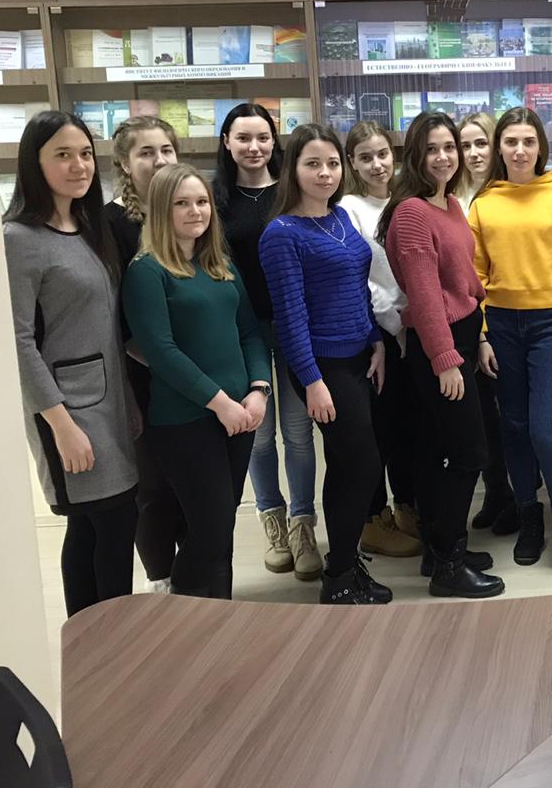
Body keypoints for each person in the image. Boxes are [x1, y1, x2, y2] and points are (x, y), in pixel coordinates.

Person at [3, 110, 138, 617]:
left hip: (109, 402)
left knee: (94, 526)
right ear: (33, 163)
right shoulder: (18, 238)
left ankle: (94, 640)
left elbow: (106, 325)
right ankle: (105, 636)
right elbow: (17, 341)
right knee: (110, 522)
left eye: (84, 154)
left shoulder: (87, 227)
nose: (79, 165)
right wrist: (60, 426)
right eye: (62, 154)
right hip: (68, 410)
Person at [258, 124, 393, 604]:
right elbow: (289, 317)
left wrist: (375, 341)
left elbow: (358, 289)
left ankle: (345, 566)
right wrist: (312, 381)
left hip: (359, 358)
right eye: (312, 163)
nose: (325, 173)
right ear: (292, 169)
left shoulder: (339, 218)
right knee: (362, 464)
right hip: (323, 367)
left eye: (332, 163)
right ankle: (339, 575)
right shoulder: (281, 234)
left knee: (347, 464)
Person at [123, 164, 271, 599]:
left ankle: (220, 615)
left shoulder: (220, 263)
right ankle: (180, 611)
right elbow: (161, 351)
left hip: (240, 415)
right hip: (186, 419)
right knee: (209, 528)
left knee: (221, 529)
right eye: (182, 203)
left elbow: (250, 331)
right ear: (160, 210)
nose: (195, 211)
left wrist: (259, 390)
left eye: (202, 201)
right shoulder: (146, 271)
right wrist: (220, 402)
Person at [380, 111, 506, 597]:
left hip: (464, 334)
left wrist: (481, 338)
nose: (443, 157)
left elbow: (465, 280)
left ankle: (439, 550)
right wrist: (445, 359)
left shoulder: (450, 203)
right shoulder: (412, 212)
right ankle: (451, 565)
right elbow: (425, 295)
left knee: (436, 449)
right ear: (415, 155)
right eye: (431, 149)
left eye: (449, 147)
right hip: (441, 343)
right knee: (470, 451)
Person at [469, 106, 552, 577]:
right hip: (500, 326)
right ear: (499, 148)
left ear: (541, 147)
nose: (520, 151)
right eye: (511, 142)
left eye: (528, 142)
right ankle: (529, 517)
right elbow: (476, 274)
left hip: (549, 328)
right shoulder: (484, 202)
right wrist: (482, 334)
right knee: (514, 428)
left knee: (545, 430)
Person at [214, 103, 321, 581]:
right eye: (243, 138)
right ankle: (272, 523)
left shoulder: (292, 191)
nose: (254, 147)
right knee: (258, 434)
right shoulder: (214, 198)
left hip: (294, 325)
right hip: (243, 331)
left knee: (298, 432)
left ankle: (303, 527)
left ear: (275, 141)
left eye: (262, 137)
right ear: (226, 143)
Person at [104, 115, 182, 591]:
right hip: (144, 376)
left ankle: (197, 577)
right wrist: (166, 365)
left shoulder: (188, 209)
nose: (159, 160)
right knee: (154, 487)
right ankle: (162, 580)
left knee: (193, 483)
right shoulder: (111, 223)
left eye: (166, 150)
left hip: (195, 375)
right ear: (124, 163)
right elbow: (117, 316)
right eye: (146, 152)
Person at [339, 121, 422, 559]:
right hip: (377, 336)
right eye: (365, 157)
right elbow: (362, 278)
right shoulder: (348, 209)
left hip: (414, 328)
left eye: (383, 154)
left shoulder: (407, 202)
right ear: (352, 163)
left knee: (408, 428)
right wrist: (390, 328)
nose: (377, 164)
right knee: (378, 431)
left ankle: (408, 506)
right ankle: (375, 519)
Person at [455, 111, 517, 536]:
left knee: (510, 414)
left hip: (507, 316)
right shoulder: (452, 194)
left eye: (481, 143)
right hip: (468, 322)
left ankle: (518, 497)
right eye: (465, 146)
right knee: (481, 417)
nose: (474, 153)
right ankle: (496, 491)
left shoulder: (507, 191)